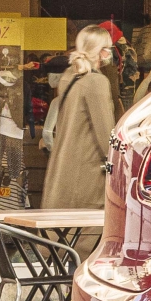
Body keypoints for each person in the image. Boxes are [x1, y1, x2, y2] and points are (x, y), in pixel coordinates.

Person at [42, 26, 117, 210]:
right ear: (102, 52)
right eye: (108, 47)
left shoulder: (69, 77)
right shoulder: (96, 82)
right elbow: (106, 135)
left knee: (59, 235)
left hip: (62, 172)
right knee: (89, 235)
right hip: (87, 177)